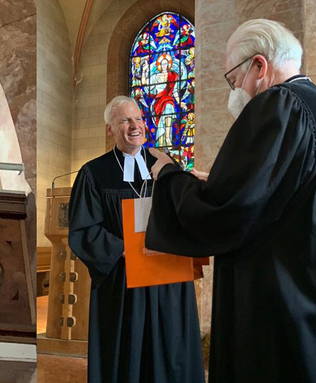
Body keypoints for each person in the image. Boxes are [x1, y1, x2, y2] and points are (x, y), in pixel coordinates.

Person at [146, 19, 316, 382]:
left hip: (283, 306)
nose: (234, 90)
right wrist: (221, 182)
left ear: (259, 65)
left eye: (232, 79)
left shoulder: (278, 103)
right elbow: (271, 192)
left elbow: (226, 213)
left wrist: (169, 176)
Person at [68, 96, 204, 383]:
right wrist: (125, 249)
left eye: (139, 119)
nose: (135, 126)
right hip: (124, 282)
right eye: (124, 120)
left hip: (168, 278)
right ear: (110, 129)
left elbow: (185, 209)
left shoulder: (165, 164)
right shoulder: (94, 173)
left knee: (170, 351)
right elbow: (83, 230)